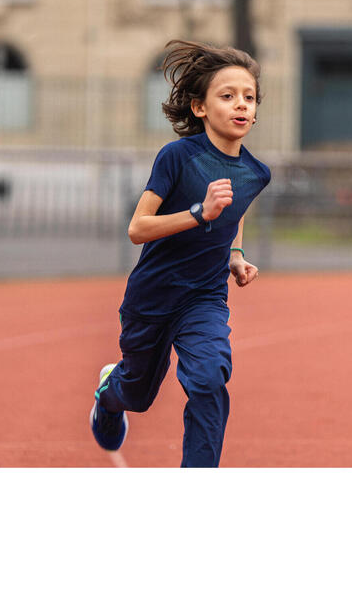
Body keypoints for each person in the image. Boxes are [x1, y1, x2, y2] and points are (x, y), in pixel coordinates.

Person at [90, 39, 271, 467]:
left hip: (204, 299)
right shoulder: (177, 157)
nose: (241, 105)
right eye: (227, 96)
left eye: (249, 97)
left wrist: (235, 253)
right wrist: (197, 212)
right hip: (153, 297)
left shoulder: (256, 173)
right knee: (137, 394)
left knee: (209, 379)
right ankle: (109, 393)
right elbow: (138, 229)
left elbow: (234, 209)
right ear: (200, 108)